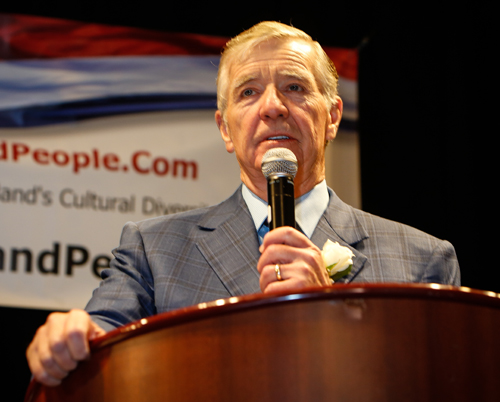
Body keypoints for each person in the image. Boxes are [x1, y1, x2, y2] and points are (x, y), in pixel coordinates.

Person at [26, 21, 460, 386]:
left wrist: (331, 316)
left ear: (332, 117)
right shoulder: (153, 249)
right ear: (225, 130)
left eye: (294, 87)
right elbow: (102, 334)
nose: (272, 107)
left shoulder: (423, 261)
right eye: (248, 93)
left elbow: (442, 385)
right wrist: (71, 337)